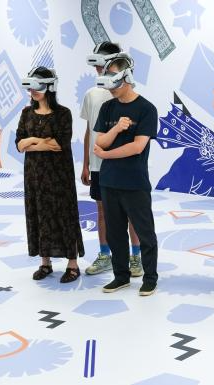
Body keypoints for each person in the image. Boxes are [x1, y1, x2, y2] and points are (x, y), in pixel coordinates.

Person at [93, 53, 159, 296]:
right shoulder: (107, 107)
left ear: (127, 77)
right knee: (115, 233)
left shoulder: (146, 109)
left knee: (145, 232)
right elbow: (100, 141)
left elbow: (138, 146)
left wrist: (106, 155)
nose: (111, 89)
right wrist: (117, 129)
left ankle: (150, 278)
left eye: (115, 81)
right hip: (109, 182)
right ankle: (120, 276)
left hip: (134, 182)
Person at [81, 42, 143, 278]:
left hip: (123, 164)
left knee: (131, 211)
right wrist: (85, 164)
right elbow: (89, 131)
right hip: (98, 165)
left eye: (103, 62)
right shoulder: (91, 94)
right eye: (96, 62)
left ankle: (136, 256)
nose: (99, 67)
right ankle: (105, 255)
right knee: (102, 210)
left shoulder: (126, 92)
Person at [16, 67, 83, 283]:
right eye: (31, 87)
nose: (33, 91)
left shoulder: (63, 113)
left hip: (59, 176)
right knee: (39, 215)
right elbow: (19, 144)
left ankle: (72, 265)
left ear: (50, 87)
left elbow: (58, 144)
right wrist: (36, 141)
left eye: (38, 86)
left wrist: (31, 142)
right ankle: (45, 263)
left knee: (64, 215)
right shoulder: (26, 113)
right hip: (34, 177)